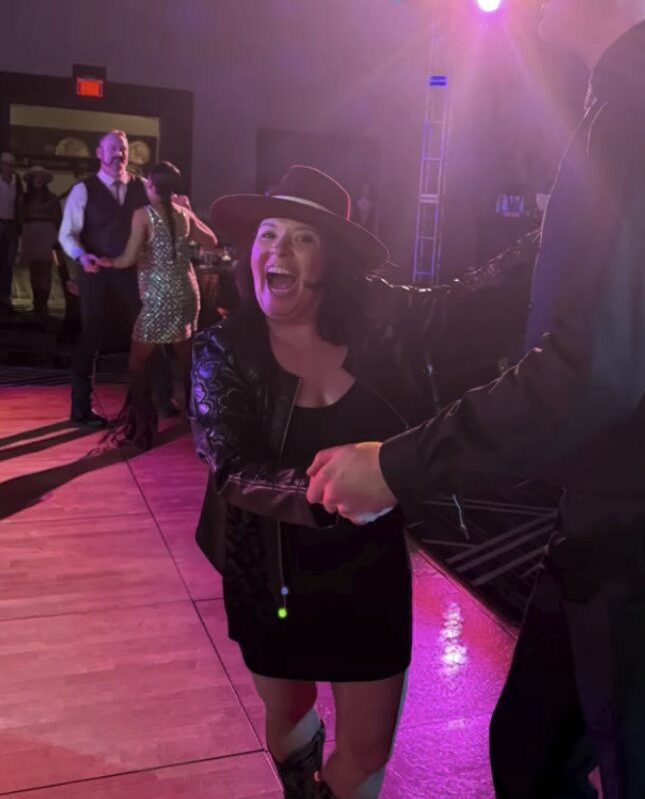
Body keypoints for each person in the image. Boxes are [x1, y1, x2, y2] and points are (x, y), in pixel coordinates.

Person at [306, 0, 645, 799]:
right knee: (530, 756)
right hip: (616, 515)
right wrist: (388, 307)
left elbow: (594, 367)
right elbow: (546, 275)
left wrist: (396, 467)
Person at [189, 165, 537, 799]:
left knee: (368, 750)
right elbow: (231, 465)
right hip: (267, 570)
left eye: (302, 237)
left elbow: (482, 296)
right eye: (269, 234)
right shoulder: (222, 347)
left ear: (334, 260)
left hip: (368, 568)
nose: (277, 250)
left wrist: (570, 223)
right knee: (291, 712)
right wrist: (331, 494)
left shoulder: (386, 319)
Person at [97, 161, 216, 448]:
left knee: (137, 363)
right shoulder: (184, 215)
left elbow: (127, 259)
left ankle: (143, 429)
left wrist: (104, 262)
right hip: (187, 294)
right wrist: (186, 209)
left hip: (159, 298)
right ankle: (195, 419)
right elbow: (211, 240)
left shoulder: (144, 215)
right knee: (187, 360)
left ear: (151, 185)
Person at [59, 130, 152, 427]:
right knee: (91, 339)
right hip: (95, 273)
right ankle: (81, 409)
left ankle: (144, 405)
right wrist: (81, 255)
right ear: (99, 153)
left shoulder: (142, 187)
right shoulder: (83, 189)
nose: (118, 154)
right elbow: (67, 234)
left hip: (131, 274)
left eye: (122, 149)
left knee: (143, 338)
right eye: (112, 148)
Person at [20, 165, 62, 317]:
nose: (38, 180)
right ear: (31, 180)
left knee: (44, 269)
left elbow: (58, 218)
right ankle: (36, 304)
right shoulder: (24, 199)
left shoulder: (52, 198)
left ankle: (43, 304)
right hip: (30, 232)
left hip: (46, 233)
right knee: (34, 269)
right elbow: (20, 218)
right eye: (36, 177)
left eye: (41, 178)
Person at [0, 150, 23, 311]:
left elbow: (20, 204)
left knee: (9, 262)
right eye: (6, 164)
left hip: (12, 225)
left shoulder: (18, 182)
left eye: (11, 164)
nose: (9, 167)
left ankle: (6, 296)